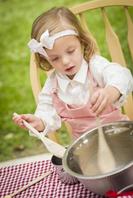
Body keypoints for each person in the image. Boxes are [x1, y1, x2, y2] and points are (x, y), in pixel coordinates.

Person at [13, 7, 133, 140]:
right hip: (85, 145)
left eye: (70, 51)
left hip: (118, 134)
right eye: (55, 58)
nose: (65, 61)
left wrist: (111, 91)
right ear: (46, 59)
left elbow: (122, 75)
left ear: (82, 43)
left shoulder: (95, 66)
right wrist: (39, 122)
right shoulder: (52, 86)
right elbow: (46, 112)